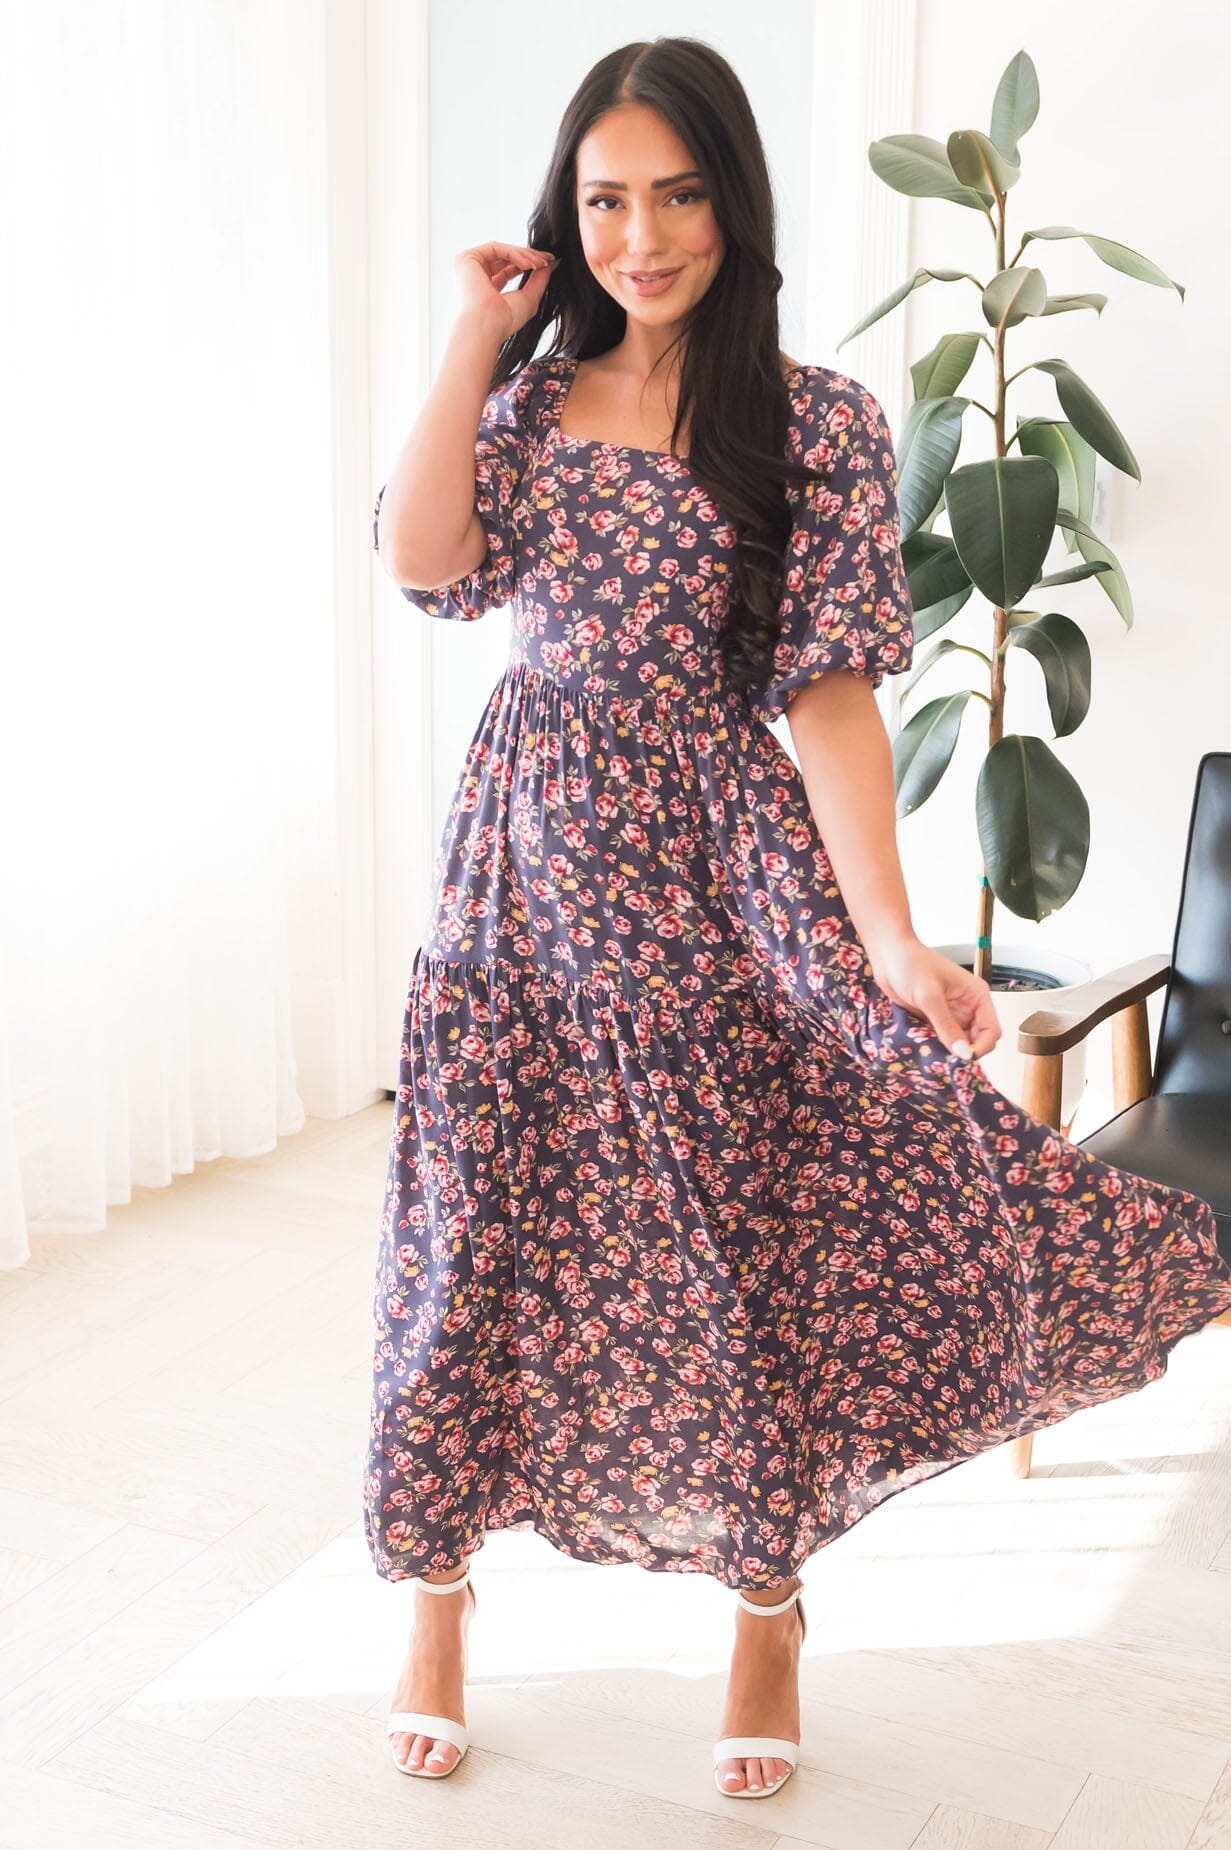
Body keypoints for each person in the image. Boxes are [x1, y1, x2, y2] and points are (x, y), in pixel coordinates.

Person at [364, 36, 1231, 1802]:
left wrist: (894, 939)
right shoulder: (522, 402)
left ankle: (768, 1602)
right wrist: (471, 338)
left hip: (715, 875)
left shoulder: (816, 418)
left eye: (679, 195)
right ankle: (436, 1601)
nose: (642, 237)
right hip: (522, 871)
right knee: (476, 1236)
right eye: (607, 200)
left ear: (734, 202)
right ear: (567, 213)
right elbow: (424, 560)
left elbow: (831, 696)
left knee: (735, 1245)